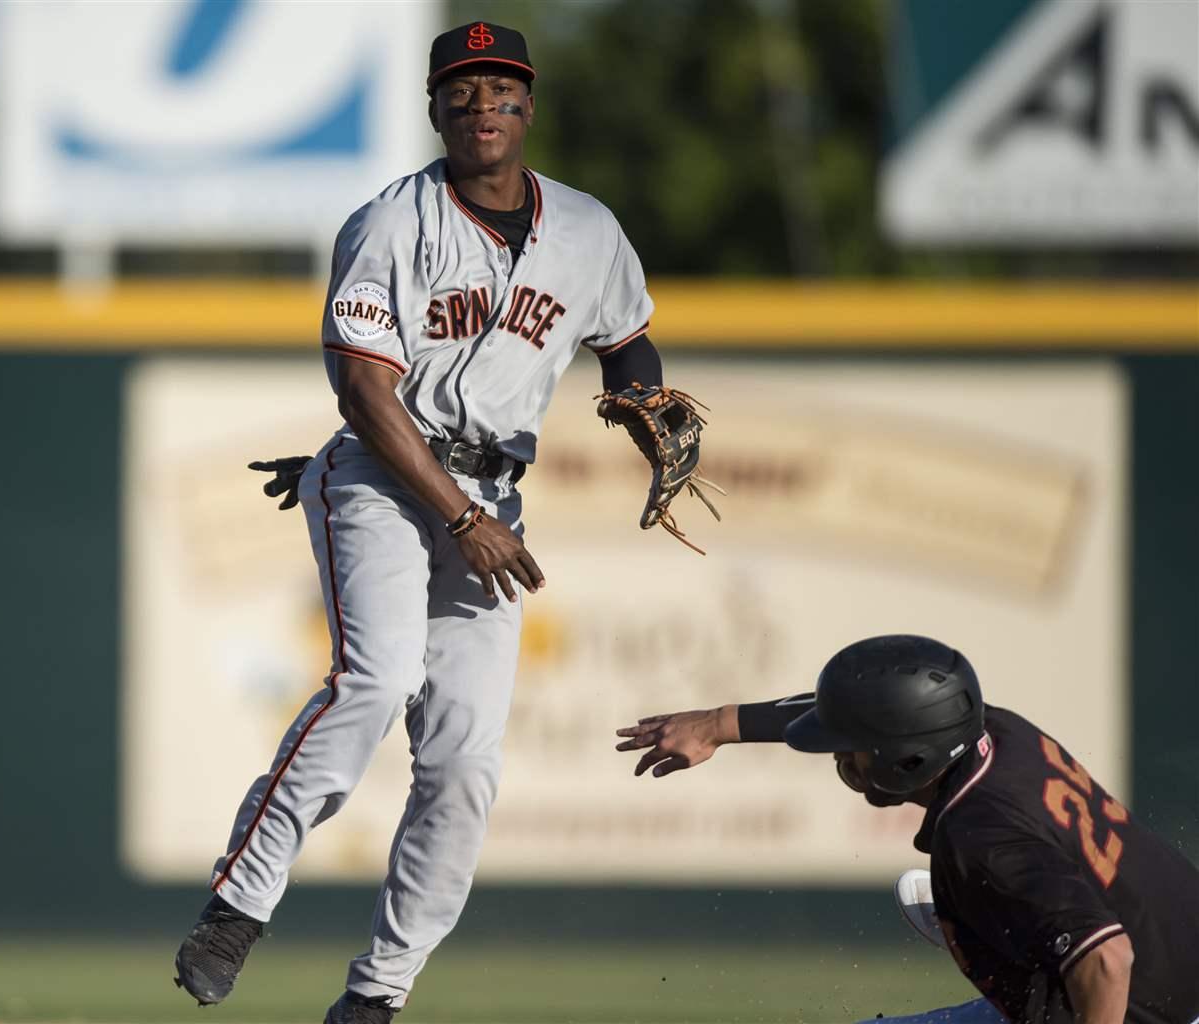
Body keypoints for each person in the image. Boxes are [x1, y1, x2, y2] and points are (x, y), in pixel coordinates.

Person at [173, 20, 709, 1023]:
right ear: (434, 110)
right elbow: (364, 396)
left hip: (494, 496)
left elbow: (627, 342)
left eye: (499, 87)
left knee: (463, 761)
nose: (481, 105)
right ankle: (239, 900)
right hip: (387, 477)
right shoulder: (387, 223)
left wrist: (642, 401)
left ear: (528, 105)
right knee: (373, 682)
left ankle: (376, 994)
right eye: (459, 90)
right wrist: (461, 516)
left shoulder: (586, 229)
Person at [615, 635, 1199, 1024]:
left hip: (1133, 1000)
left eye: (850, 748)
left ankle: (996, 924)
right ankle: (997, 924)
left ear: (907, 759)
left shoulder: (981, 838)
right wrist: (721, 724)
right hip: (1170, 943)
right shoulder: (993, 730)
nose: (838, 756)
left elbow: (1105, 961)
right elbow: (853, 708)